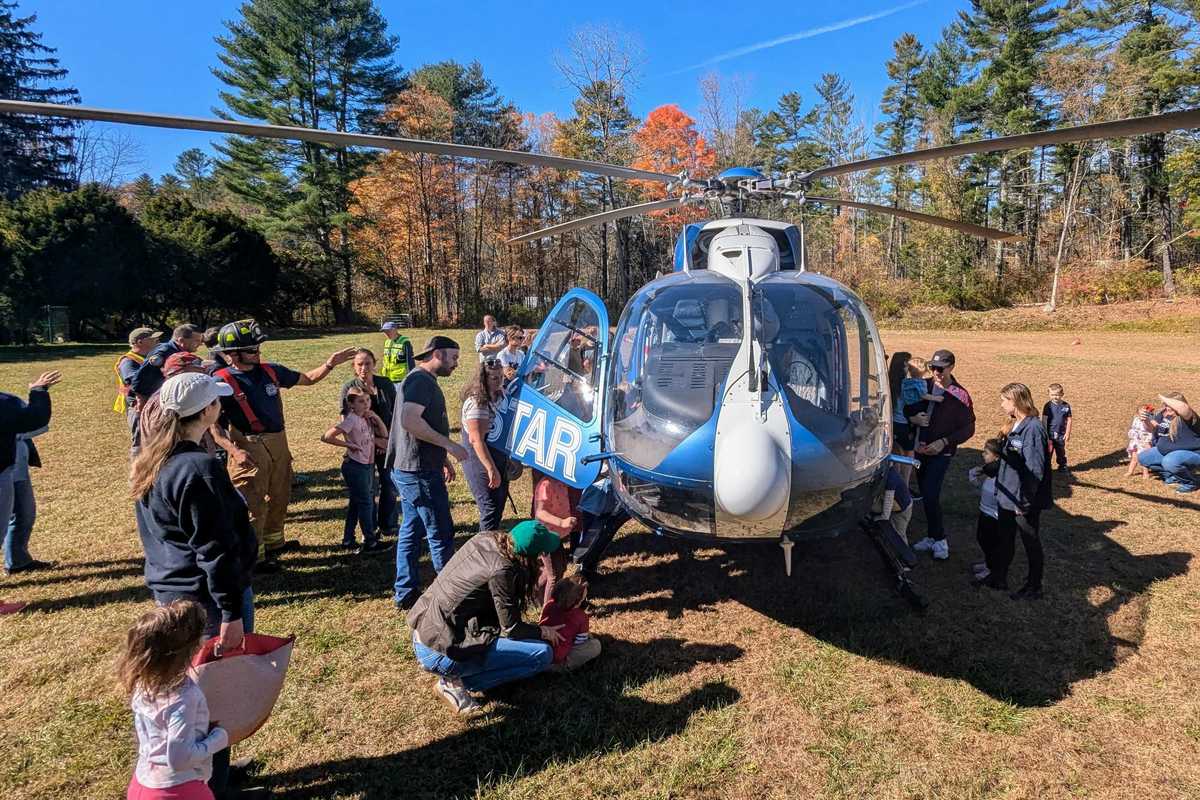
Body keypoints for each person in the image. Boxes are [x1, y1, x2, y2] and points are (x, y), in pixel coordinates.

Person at [129, 372, 256, 799]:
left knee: (198, 693)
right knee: (210, 696)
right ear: (206, 411)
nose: (221, 406)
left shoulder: (154, 457)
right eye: (216, 402)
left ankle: (213, 765)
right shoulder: (197, 468)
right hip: (206, 603)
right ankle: (210, 785)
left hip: (173, 594)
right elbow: (214, 551)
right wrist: (231, 614)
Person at [211, 319, 356, 572]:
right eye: (251, 350)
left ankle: (275, 543)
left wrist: (330, 363)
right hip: (248, 445)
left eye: (258, 349)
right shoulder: (220, 382)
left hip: (278, 442)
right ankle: (253, 557)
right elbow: (214, 427)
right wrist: (234, 451)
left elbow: (309, 379)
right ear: (231, 354)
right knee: (253, 502)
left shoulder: (271, 371)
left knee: (280, 494)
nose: (257, 354)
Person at [407, 522, 563, 715]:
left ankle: (458, 673)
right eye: (540, 556)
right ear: (529, 558)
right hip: (442, 649)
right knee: (542, 654)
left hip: (425, 630)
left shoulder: (486, 539)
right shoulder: (503, 571)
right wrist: (543, 631)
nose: (542, 561)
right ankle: (458, 681)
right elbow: (512, 629)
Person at [386, 335, 470, 610]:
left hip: (413, 467)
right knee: (440, 532)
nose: (456, 364)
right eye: (454, 358)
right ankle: (449, 599)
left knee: (411, 530)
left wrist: (441, 456)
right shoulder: (420, 380)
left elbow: (422, 426)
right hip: (419, 472)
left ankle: (405, 591)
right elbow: (410, 421)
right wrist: (449, 444)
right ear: (438, 353)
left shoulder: (419, 379)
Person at [118, 600, 228, 800]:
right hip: (179, 790)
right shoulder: (184, 698)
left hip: (142, 785)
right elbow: (179, 758)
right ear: (192, 649)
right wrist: (216, 740)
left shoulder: (142, 685)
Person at [905, 349, 975, 560]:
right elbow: (905, 407)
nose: (935, 372)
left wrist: (943, 442)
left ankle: (940, 540)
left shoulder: (960, 395)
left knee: (931, 494)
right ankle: (932, 536)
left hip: (940, 453)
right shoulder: (922, 385)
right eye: (933, 367)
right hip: (918, 451)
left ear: (952, 367)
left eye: (940, 369)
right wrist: (913, 419)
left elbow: (968, 428)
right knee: (926, 494)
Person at [989, 383, 1052, 600]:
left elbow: (1035, 469)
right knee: (1004, 538)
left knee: (1030, 541)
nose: (1001, 404)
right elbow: (1013, 461)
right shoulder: (1016, 424)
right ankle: (999, 577)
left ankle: (1034, 586)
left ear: (1015, 401)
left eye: (1004, 400)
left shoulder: (1033, 429)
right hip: (1008, 495)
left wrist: (1024, 502)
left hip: (1022, 500)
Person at [3, 371, 61, 577]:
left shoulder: (7, 402)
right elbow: (34, 421)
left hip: (14, 463)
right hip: (5, 467)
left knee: (23, 511)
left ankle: (18, 560)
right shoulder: (6, 403)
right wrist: (37, 392)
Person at [321, 387, 390, 555]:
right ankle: (370, 541)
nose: (366, 404)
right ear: (351, 404)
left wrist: (377, 418)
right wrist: (349, 445)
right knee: (366, 503)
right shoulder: (351, 420)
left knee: (356, 503)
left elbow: (385, 435)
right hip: (356, 466)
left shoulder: (366, 418)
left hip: (367, 465)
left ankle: (348, 539)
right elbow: (327, 436)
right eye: (361, 401)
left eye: (368, 400)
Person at [339, 348, 400, 539]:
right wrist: (354, 446)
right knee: (368, 489)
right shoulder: (349, 387)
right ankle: (370, 529)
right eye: (359, 364)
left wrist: (388, 441)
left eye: (367, 363)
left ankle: (388, 524)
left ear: (375, 364)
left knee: (389, 485)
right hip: (364, 447)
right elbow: (344, 420)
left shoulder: (385, 384)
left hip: (387, 442)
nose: (364, 368)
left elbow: (397, 412)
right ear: (354, 367)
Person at [460, 358, 510, 531]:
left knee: (499, 502)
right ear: (484, 379)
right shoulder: (477, 403)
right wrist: (490, 468)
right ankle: (483, 550)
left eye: (501, 377)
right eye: (494, 378)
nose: (499, 381)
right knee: (489, 506)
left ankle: (492, 544)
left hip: (497, 452)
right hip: (479, 456)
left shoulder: (501, 395)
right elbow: (476, 440)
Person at [531, 470, 580, 604]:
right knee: (554, 576)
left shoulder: (563, 481)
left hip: (555, 536)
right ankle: (548, 613)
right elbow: (540, 512)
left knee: (558, 569)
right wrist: (561, 522)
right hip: (546, 536)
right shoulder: (545, 485)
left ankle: (535, 595)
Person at [1138, 392, 1200, 493]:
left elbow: (1184, 408)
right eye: (1166, 405)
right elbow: (1152, 428)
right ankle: (1173, 476)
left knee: (1170, 461)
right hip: (1169, 452)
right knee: (1143, 458)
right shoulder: (1165, 414)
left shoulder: (1189, 417)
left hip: (1192, 453)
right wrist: (1145, 420)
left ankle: (1189, 482)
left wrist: (1162, 397)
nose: (1167, 408)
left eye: (1169, 405)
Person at [540, 575, 601, 672]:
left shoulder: (548, 604)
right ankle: (558, 667)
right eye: (583, 599)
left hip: (542, 646)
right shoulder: (581, 617)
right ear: (577, 601)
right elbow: (580, 642)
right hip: (559, 657)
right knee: (595, 645)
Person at [131, 324, 205, 403]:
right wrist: (142, 400)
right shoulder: (164, 352)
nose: (200, 344)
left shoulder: (176, 351)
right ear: (181, 340)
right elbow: (141, 377)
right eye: (197, 340)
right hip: (148, 400)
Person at [968, 436, 1004, 586]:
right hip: (985, 510)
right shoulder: (989, 471)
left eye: (986, 453)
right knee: (981, 538)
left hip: (994, 515)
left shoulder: (1000, 473)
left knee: (990, 542)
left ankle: (992, 568)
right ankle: (987, 562)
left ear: (996, 457)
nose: (983, 455)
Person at [115, 327, 162, 439]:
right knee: (140, 440)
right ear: (140, 342)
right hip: (137, 406)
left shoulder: (150, 357)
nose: (158, 341)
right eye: (153, 339)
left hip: (151, 403)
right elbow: (136, 383)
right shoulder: (128, 361)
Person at [1042, 383, 1073, 475]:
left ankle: (1062, 465)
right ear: (1049, 394)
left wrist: (1067, 433)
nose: (1055, 397)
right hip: (1050, 435)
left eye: (1057, 395)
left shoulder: (1066, 406)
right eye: (1052, 395)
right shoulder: (1048, 406)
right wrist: (1045, 434)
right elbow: (1044, 420)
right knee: (1048, 452)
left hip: (1061, 435)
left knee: (1061, 451)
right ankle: (1046, 467)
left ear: (1062, 394)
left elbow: (1069, 419)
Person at [1126, 404, 1156, 479]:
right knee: (1134, 458)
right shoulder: (1136, 419)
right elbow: (1133, 428)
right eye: (1142, 410)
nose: (1144, 412)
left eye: (1146, 410)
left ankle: (1145, 473)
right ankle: (1130, 471)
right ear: (1137, 413)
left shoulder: (1149, 419)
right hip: (1136, 441)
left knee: (1144, 459)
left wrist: (1146, 419)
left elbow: (1150, 428)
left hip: (1144, 442)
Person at [379, 321, 414, 386]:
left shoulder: (405, 342)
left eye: (388, 331)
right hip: (387, 379)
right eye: (384, 332)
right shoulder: (387, 342)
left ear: (395, 330)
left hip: (401, 380)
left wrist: (411, 378)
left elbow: (410, 362)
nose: (386, 334)